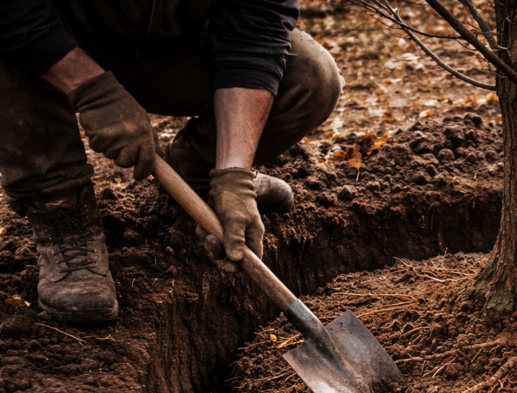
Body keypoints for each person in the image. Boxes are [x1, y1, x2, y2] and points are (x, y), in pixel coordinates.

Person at [0, 0, 343, 324]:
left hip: (173, 49)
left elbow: (255, 32)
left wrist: (233, 175)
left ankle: (198, 170)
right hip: (47, 41)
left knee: (310, 77)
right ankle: (60, 211)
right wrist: (92, 91)